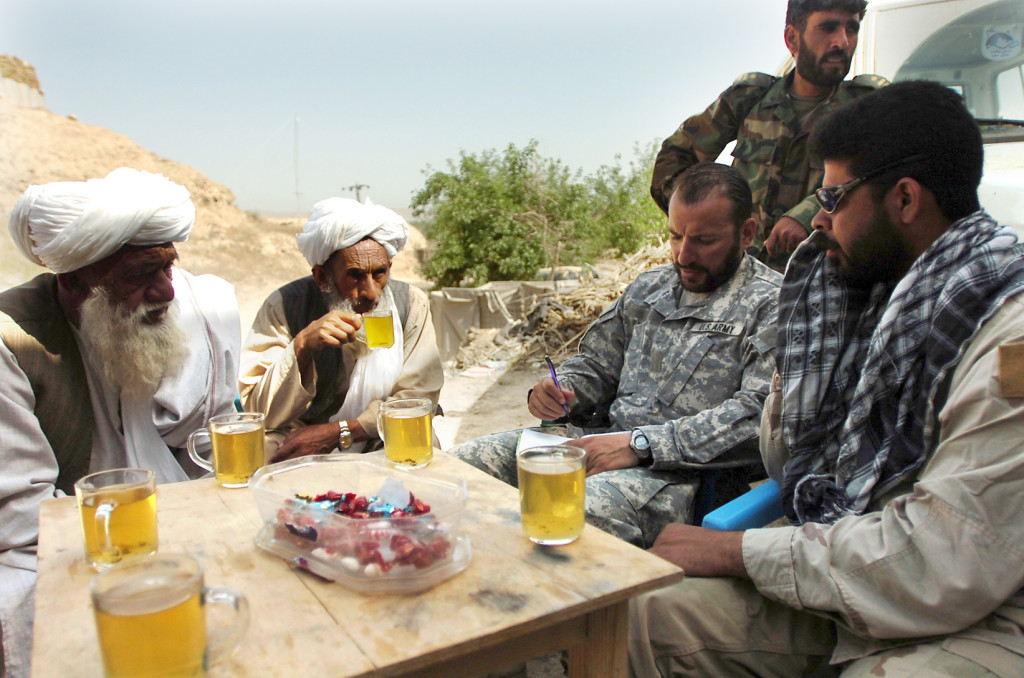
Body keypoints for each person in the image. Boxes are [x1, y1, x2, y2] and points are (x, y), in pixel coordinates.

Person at [629, 81, 1024, 677]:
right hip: (845, 562)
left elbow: (947, 560)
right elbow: (791, 461)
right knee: (640, 614)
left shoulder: (1005, 332)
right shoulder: (865, 301)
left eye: (834, 198)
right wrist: (810, 337)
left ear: (906, 200)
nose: (817, 219)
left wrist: (740, 551)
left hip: (979, 609)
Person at [449, 163, 782, 548]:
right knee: (458, 471)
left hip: (677, 474)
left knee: (564, 515)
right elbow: (595, 363)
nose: (683, 256)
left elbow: (759, 416)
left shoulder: (772, 304)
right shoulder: (648, 289)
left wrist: (640, 445)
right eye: (675, 236)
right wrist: (564, 389)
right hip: (597, 444)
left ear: (747, 234)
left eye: (704, 241)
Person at [0, 168, 241, 678]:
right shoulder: (12, 340)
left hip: (168, 517)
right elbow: (25, 520)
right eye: (141, 275)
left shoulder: (151, 323)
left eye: (169, 268)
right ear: (72, 279)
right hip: (83, 541)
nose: (168, 292)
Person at [650, 0, 887, 270]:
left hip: (822, 278)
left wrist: (809, 213)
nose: (842, 42)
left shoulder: (868, 109)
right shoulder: (751, 99)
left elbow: (883, 179)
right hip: (739, 277)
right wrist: (705, 224)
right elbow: (674, 159)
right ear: (792, 38)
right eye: (828, 28)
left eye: (852, 29)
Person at [240, 197, 443, 461]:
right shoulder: (285, 305)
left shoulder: (411, 303)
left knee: (425, 444)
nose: (371, 292)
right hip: (303, 436)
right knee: (259, 455)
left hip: (380, 431)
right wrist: (301, 346)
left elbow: (417, 400)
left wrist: (341, 431)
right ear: (322, 276)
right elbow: (260, 412)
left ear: (389, 267)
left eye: (379, 273)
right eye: (355, 275)